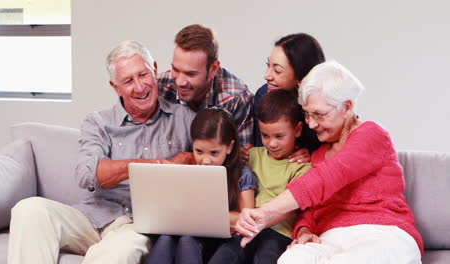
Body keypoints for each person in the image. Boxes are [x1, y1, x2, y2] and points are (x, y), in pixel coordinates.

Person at [7, 40, 196, 264]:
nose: (139, 87)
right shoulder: (98, 123)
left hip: (137, 225)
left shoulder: (185, 119)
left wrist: (188, 159)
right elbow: (88, 174)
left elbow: (211, 159)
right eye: (128, 81)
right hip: (91, 217)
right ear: (115, 87)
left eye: (143, 75)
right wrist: (155, 165)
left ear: (154, 70)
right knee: (29, 209)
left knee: (120, 251)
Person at [236, 61, 424, 264]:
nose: (311, 123)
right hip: (330, 237)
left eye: (319, 114)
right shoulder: (317, 155)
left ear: (347, 107)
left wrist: (266, 211)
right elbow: (310, 209)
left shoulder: (371, 134)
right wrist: (304, 231)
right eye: (307, 114)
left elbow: (329, 177)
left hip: (382, 233)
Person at [209, 90, 311, 263]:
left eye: (279, 136)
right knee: (223, 257)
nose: (272, 143)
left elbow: (289, 207)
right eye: (265, 135)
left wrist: (260, 220)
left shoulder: (301, 167)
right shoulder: (252, 156)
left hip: (279, 232)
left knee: (264, 258)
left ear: (298, 129)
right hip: (247, 227)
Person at [144, 108, 257, 264]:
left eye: (214, 153)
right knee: (165, 238)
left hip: (219, 240)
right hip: (186, 231)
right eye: (199, 151)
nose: (205, 160)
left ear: (229, 147)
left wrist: (199, 215)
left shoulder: (242, 175)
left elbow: (246, 218)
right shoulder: (188, 168)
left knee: (187, 239)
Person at [158, 24, 254, 148]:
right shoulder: (160, 86)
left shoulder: (237, 98)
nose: (180, 82)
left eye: (190, 74)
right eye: (175, 69)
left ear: (213, 69)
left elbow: (241, 157)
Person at [242, 33, 325, 164]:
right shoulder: (263, 94)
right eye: (268, 65)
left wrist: (313, 154)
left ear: (301, 77)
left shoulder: (324, 103)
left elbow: (342, 140)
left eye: (277, 71)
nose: (267, 75)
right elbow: (261, 148)